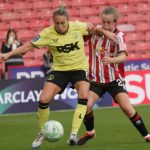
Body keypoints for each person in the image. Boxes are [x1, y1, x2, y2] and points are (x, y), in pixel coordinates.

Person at [0, 6, 117, 149]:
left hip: (79, 68)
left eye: (63, 23)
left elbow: (94, 29)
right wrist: (7, 55)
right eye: (57, 23)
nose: (60, 26)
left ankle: (73, 134)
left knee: (83, 95)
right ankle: (42, 132)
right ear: (53, 22)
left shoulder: (78, 27)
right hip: (60, 70)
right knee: (43, 99)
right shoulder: (47, 33)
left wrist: (107, 33)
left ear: (68, 20)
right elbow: (28, 46)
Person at [78, 6, 150, 145]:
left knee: (127, 108)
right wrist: (101, 30)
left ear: (115, 22)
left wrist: (112, 60)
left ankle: (146, 135)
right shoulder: (96, 31)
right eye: (103, 21)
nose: (105, 24)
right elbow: (84, 31)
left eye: (109, 22)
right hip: (96, 80)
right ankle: (90, 132)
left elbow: (123, 57)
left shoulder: (119, 36)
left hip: (114, 80)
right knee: (86, 106)